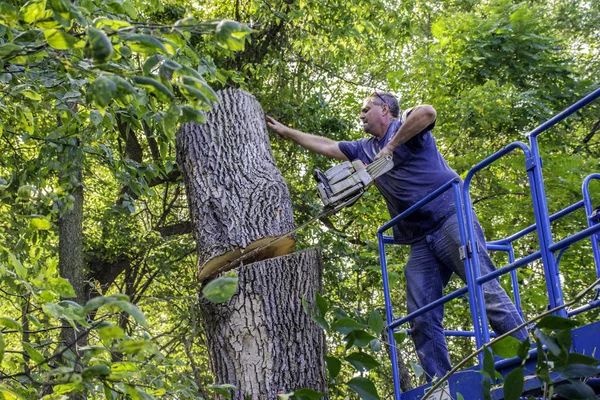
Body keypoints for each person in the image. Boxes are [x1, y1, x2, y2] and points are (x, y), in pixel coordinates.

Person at [266, 92, 528, 381]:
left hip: (451, 216)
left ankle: (532, 358)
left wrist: (391, 146)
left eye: (367, 109)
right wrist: (285, 131)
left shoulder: (405, 127)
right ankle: (439, 385)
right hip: (420, 239)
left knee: (484, 289)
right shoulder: (363, 149)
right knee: (421, 316)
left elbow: (427, 111)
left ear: (385, 109)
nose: (362, 115)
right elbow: (326, 145)